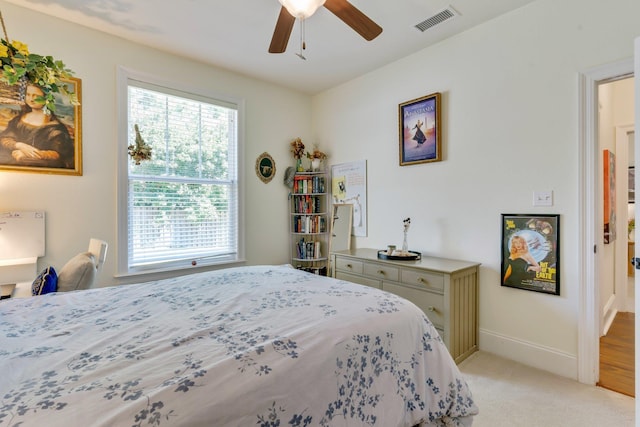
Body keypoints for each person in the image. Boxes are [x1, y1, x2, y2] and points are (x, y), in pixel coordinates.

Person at [0, 83, 74, 168]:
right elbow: (5, 138)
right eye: (28, 95)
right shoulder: (18, 120)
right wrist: (20, 145)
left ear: (46, 98)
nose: (31, 99)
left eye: (35, 95)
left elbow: (59, 154)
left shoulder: (56, 129)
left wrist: (28, 154)